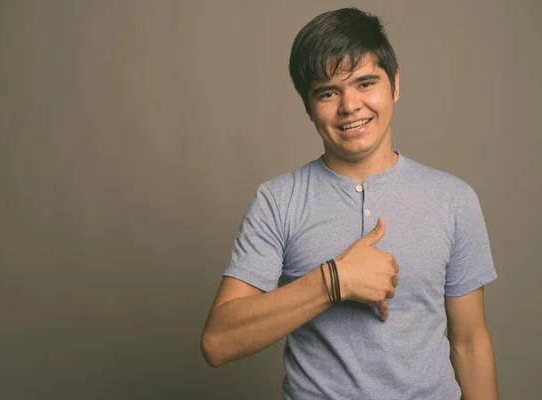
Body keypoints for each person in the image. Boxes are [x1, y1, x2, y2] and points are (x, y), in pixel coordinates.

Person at [200, 7, 498, 400]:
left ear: (394, 85)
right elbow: (218, 342)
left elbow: (470, 343)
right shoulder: (277, 201)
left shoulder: (454, 199)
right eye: (327, 92)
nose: (349, 106)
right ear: (309, 107)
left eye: (365, 83)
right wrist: (333, 282)